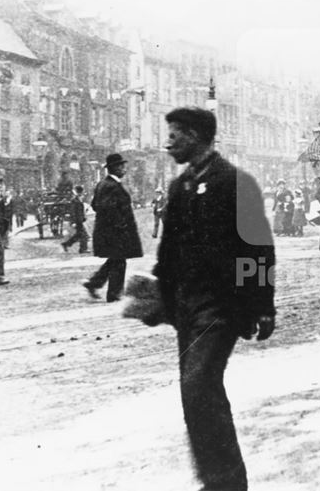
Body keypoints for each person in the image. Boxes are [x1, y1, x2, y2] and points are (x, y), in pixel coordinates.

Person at [146, 107, 276, 491]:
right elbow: (169, 250)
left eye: (175, 134)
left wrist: (262, 306)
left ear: (197, 137)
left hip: (222, 306)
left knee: (198, 384)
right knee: (198, 391)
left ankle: (225, 481)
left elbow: (259, 250)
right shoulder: (179, 186)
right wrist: (157, 293)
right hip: (187, 307)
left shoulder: (235, 182)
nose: (168, 142)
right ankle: (219, 479)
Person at [84, 153, 143, 302]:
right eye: (122, 167)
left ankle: (94, 283)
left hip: (110, 231)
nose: (124, 169)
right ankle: (114, 294)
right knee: (119, 261)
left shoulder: (104, 184)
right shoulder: (111, 186)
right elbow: (106, 207)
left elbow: (94, 205)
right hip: (115, 232)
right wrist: (120, 224)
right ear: (115, 168)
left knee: (115, 259)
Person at [61, 185, 89, 253]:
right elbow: (73, 212)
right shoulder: (75, 200)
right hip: (77, 220)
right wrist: (74, 222)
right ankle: (83, 249)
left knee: (79, 235)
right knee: (84, 235)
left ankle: (66, 244)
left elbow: (79, 210)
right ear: (80, 192)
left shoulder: (78, 199)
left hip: (79, 219)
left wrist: (83, 216)